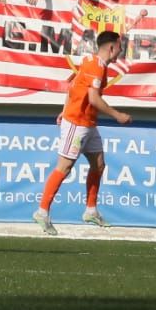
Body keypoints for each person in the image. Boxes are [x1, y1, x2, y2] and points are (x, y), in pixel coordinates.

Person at [32, 28, 132, 234]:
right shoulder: (95, 67)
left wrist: (63, 109)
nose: (121, 52)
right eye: (120, 48)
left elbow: (73, 87)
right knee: (64, 167)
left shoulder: (91, 62)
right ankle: (42, 211)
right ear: (112, 48)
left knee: (99, 165)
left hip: (88, 123)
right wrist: (117, 115)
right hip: (77, 124)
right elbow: (94, 99)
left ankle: (91, 210)